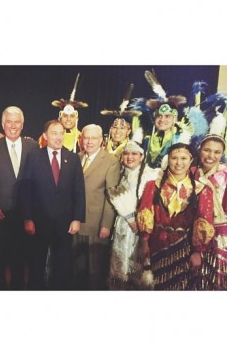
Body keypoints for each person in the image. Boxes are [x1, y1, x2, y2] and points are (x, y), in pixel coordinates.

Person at [137, 143, 215, 290]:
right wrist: (145, 241)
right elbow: (145, 214)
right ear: (168, 159)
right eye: (174, 158)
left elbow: (203, 220)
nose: (179, 163)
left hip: (185, 248)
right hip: (157, 245)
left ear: (191, 161)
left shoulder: (201, 189)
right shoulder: (154, 186)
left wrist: (198, 251)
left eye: (184, 158)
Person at [22, 119, 85, 290]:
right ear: (45, 136)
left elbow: (79, 190)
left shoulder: (72, 159)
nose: (58, 137)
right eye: (54, 133)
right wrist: (28, 218)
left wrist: (77, 218)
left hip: (64, 224)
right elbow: (26, 190)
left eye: (61, 133)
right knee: (36, 265)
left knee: (62, 266)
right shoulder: (34, 157)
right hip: (39, 222)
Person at [0, 106, 39, 289]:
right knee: (0, 259)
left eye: (17, 122)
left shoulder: (33, 146)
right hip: (1, 213)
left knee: (21, 260)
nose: (13, 126)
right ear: (2, 124)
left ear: (22, 125)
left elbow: (37, 181)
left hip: (26, 214)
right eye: (9, 122)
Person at [107, 140, 160, 289]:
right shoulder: (119, 173)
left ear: (142, 156)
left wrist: (140, 224)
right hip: (123, 226)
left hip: (142, 228)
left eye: (134, 154)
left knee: (139, 267)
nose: (130, 157)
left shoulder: (151, 175)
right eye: (126, 153)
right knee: (120, 266)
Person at [73, 124, 120, 290]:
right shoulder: (76, 158)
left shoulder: (111, 161)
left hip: (96, 225)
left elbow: (111, 196)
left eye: (94, 138)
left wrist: (106, 225)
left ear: (101, 140)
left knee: (95, 270)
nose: (89, 142)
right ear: (81, 139)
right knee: (77, 268)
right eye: (86, 138)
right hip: (75, 223)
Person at [192, 133, 227, 289]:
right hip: (192, 235)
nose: (211, 156)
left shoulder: (225, 175)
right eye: (207, 150)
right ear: (200, 150)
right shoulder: (190, 172)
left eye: (217, 152)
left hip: (221, 235)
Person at [39, 73, 87, 152]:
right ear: (60, 118)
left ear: (77, 118)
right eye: (65, 116)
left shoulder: (82, 138)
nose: (68, 119)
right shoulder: (47, 137)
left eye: (71, 116)